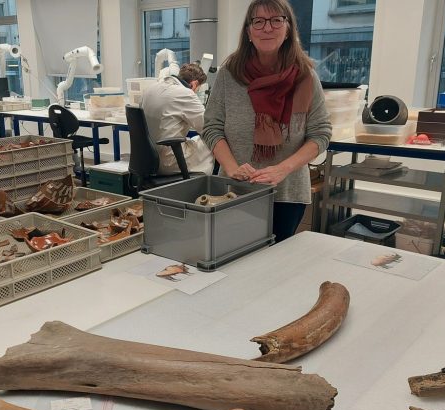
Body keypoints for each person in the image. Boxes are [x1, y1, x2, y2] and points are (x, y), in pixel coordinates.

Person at [202, 0, 331, 243]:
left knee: (274, 266)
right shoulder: (229, 74)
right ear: (248, 31)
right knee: (230, 257)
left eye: (276, 20)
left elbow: (320, 134)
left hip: (287, 193)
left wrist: (283, 168)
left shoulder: (305, 76)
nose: (267, 28)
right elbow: (212, 127)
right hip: (234, 190)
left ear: (288, 28)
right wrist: (231, 168)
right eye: (258, 21)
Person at [141, 63, 215, 175]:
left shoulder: (151, 88)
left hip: (146, 158)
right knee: (212, 142)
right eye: (197, 89)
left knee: (194, 141)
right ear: (194, 84)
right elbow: (207, 128)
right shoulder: (186, 93)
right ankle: (201, 187)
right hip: (168, 161)